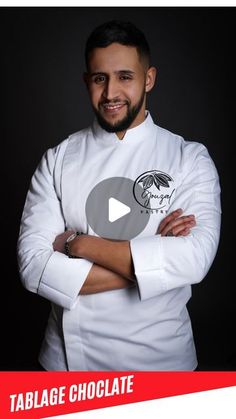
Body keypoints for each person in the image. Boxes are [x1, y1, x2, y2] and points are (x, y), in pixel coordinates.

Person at [17, 20, 221, 371]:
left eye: (125, 76)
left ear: (149, 79)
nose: (111, 92)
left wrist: (78, 246)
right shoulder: (58, 159)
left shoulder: (189, 157)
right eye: (100, 78)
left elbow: (194, 259)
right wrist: (152, 259)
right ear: (87, 82)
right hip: (68, 365)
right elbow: (33, 266)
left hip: (163, 361)